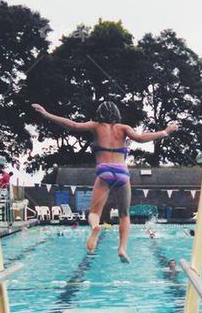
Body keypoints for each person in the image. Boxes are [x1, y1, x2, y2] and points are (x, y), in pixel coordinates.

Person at [32, 101, 179, 262]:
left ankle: (96, 227)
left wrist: (46, 114)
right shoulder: (124, 128)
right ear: (116, 114)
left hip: (104, 172)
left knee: (95, 213)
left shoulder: (95, 126)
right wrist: (165, 131)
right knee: (124, 214)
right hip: (122, 172)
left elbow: (72, 125)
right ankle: (122, 248)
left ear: (99, 113)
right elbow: (141, 138)